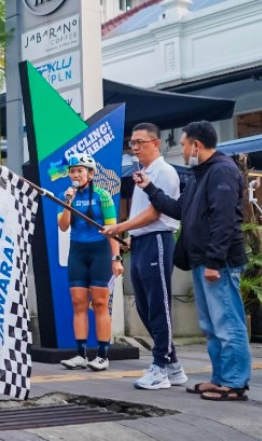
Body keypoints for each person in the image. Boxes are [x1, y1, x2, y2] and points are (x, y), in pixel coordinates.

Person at [135, 121, 250, 402]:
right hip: (203, 261)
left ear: (196, 145)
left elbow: (225, 222)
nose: (183, 150)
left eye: (184, 144)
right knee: (211, 326)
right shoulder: (202, 174)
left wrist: (213, 261)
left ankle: (234, 383)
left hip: (219, 264)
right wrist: (151, 189)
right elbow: (179, 210)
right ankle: (220, 379)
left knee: (227, 324)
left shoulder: (221, 171)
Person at [101, 123, 187, 390]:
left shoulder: (164, 172)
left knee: (158, 306)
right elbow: (142, 213)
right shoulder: (142, 173)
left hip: (159, 241)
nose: (135, 147)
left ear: (156, 143)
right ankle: (172, 365)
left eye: (140, 142)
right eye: (133, 143)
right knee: (143, 306)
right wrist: (129, 236)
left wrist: (120, 227)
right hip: (141, 242)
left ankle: (160, 367)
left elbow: (155, 214)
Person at [57, 153, 123, 372]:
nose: (75, 175)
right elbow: (63, 227)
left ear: (91, 174)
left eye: (80, 171)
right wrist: (67, 202)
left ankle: (102, 354)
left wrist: (116, 258)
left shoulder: (103, 195)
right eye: (72, 171)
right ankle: (80, 353)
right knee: (78, 302)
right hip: (77, 251)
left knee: (101, 303)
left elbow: (112, 230)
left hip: (100, 251)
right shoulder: (65, 195)